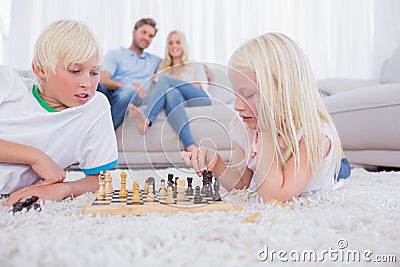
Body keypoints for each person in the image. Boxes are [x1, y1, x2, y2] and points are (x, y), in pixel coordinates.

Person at [182, 32, 351, 203]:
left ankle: (340, 155)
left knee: (341, 170)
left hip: (328, 169)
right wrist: (216, 163)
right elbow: (242, 182)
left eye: (247, 94)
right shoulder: (245, 126)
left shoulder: (315, 136)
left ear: (284, 91)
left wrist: (266, 129)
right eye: (236, 94)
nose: (237, 106)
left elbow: (274, 197)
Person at [0, 20, 118, 206]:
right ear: (40, 68)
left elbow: (101, 179)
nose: (87, 83)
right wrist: (35, 157)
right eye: (75, 70)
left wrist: (64, 189)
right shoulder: (7, 82)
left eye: (94, 73)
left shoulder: (95, 107)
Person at [129, 30, 211, 152]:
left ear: (183, 45)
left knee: (166, 82)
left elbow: (202, 86)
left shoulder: (194, 65)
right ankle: (190, 146)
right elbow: (157, 93)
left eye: (178, 42)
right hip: (180, 102)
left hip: (200, 98)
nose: (174, 46)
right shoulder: (162, 68)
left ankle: (147, 119)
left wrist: (174, 83)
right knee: (172, 93)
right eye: (171, 43)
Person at [97, 18, 162, 129]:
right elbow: (102, 79)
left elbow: (177, 65)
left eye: (151, 36)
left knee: (129, 91)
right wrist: (128, 85)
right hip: (109, 92)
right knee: (91, 83)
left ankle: (105, 131)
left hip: (130, 97)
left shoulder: (155, 61)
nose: (146, 38)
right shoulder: (115, 54)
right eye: (144, 32)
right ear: (134, 31)